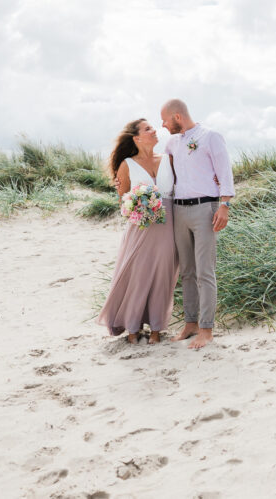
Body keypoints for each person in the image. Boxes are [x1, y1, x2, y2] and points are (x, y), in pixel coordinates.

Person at [96, 119, 177, 344]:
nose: (154, 131)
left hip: (168, 225)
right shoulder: (127, 165)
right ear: (136, 138)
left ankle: (156, 330)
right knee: (137, 276)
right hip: (140, 227)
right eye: (148, 129)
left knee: (163, 276)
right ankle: (133, 328)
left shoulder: (169, 160)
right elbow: (122, 201)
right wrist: (139, 205)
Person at [161, 99, 234, 350]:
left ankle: (206, 329)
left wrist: (225, 205)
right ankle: (190, 323)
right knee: (187, 271)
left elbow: (225, 172)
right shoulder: (171, 143)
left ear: (177, 117)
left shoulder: (211, 136)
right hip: (179, 209)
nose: (162, 124)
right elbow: (163, 174)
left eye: (165, 120)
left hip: (206, 208)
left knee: (205, 270)